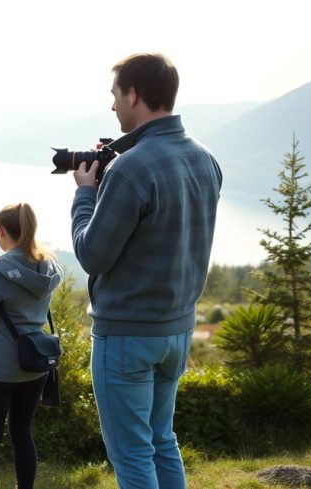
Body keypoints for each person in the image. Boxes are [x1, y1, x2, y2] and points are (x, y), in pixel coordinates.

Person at [70, 53, 222, 488]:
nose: (113, 105)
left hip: (127, 336)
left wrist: (84, 195)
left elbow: (92, 255)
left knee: (133, 453)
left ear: (133, 94)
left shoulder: (131, 167)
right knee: (161, 440)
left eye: (115, 94)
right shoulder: (204, 158)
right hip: (176, 330)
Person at [0, 202, 62, 489]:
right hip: (36, 365)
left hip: (0, 368)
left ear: (1, 231)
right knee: (23, 431)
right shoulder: (48, 267)